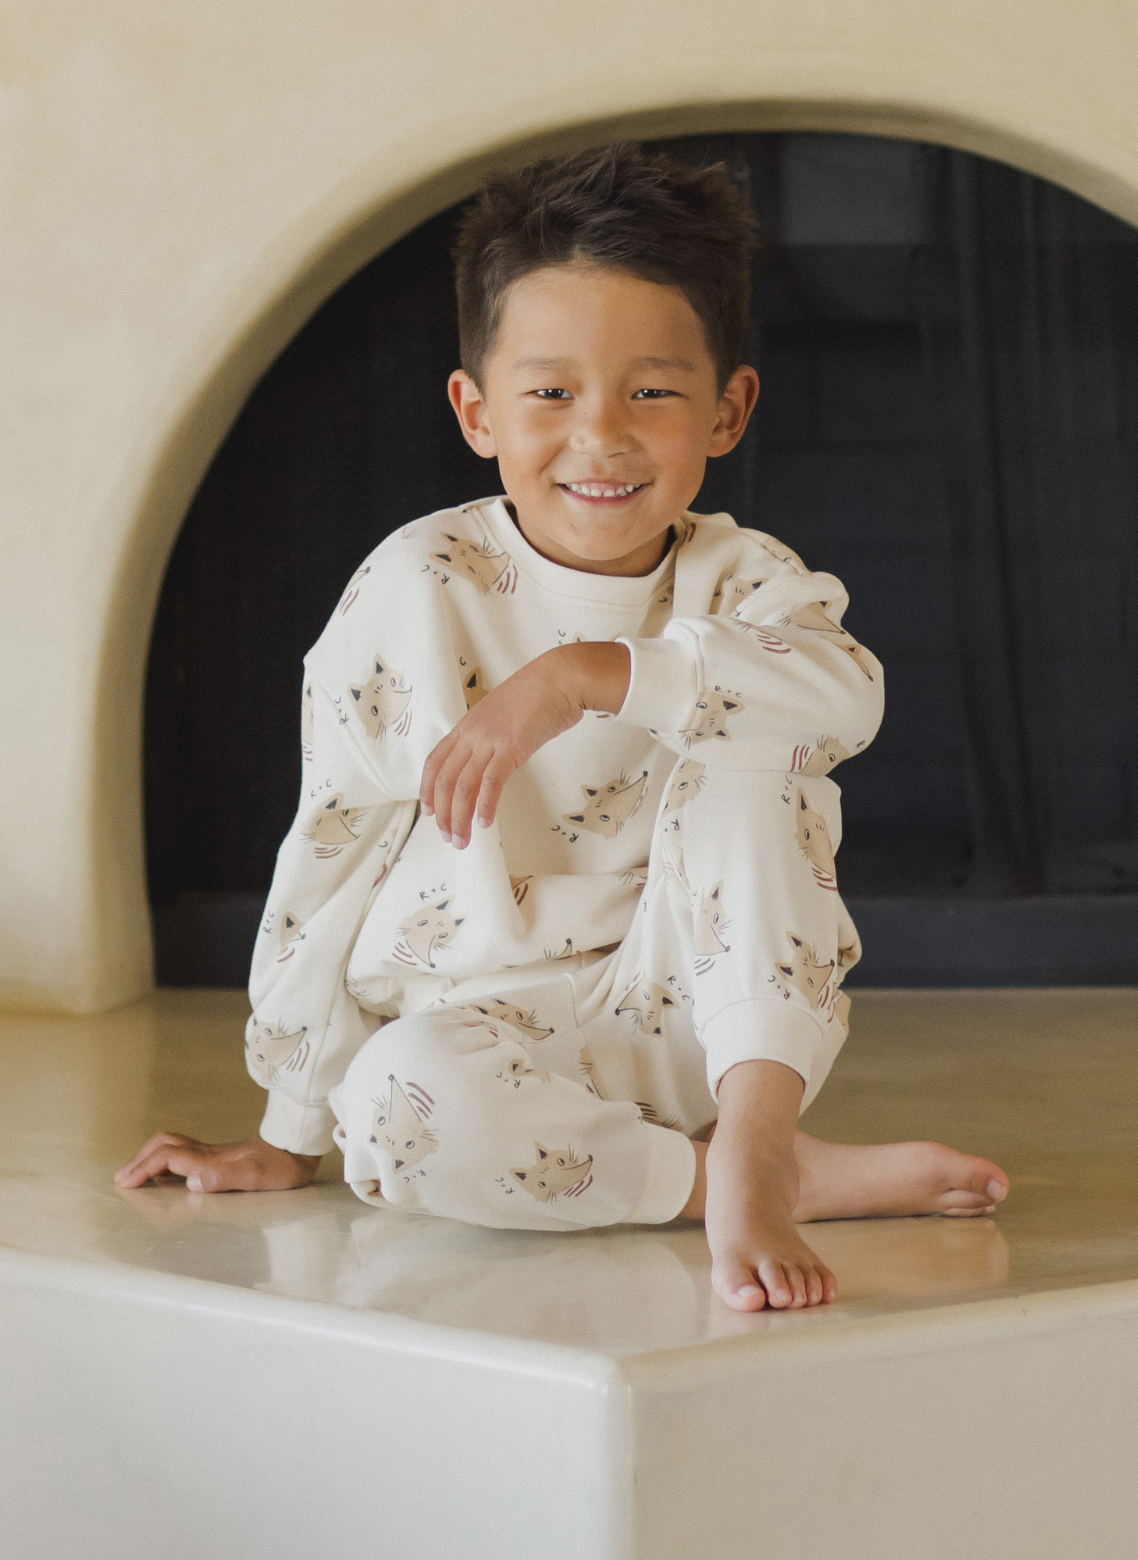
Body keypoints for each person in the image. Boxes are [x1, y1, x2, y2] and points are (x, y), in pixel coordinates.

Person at [117, 144, 1008, 1312]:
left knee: (755, 742)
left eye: (651, 390)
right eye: (549, 394)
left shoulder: (746, 581)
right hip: (486, 1028)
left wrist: (583, 675)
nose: (602, 437)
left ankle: (753, 1135)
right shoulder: (415, 586)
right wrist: (292, 1130)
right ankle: (734, 1180)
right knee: (392, 1110)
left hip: (708, 1028)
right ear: (476, 411)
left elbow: (848, 697)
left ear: (727, 408)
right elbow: (331, 848)